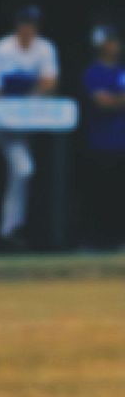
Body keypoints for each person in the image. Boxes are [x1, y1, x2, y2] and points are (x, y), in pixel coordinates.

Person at [0, 6, 59, 246]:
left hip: (27, 122)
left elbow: (50, 82)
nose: (28, 28)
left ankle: (11, 230)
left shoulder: (45, 47)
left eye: (32, 24)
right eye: (24, 23)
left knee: (22, 171)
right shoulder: (3, 48)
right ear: (17, 25)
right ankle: (8, 230)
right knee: (22, 169)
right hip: (2, 121)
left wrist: (28, 95)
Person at [80, 25, 125, 249]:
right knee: (99, 193)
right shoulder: (94, 72)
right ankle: (96, 240)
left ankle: (118, 239)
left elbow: (112, 101)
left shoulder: (122, 71)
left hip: (121, 141)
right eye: (110, 41)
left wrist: (114, 100)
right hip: (100, 141)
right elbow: (102, 103)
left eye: (116, 41)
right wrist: (118, 100)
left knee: (119, 194)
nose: (115, 46)